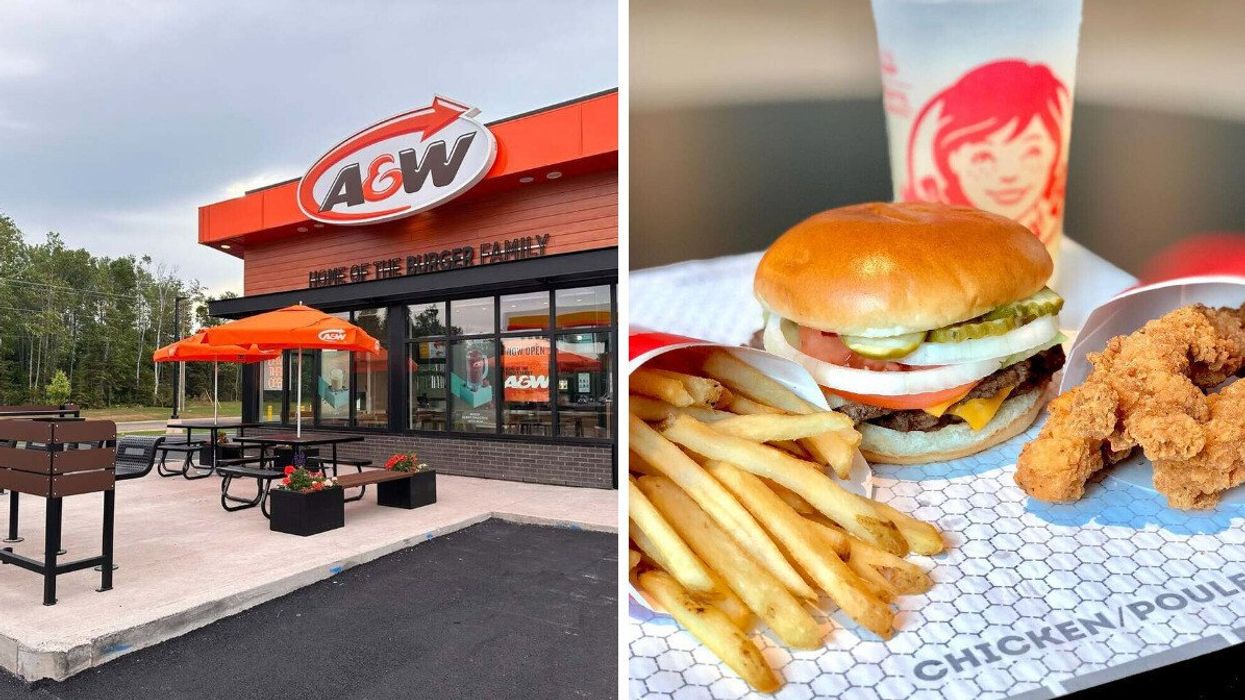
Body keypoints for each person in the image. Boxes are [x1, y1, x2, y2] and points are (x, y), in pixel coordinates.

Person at [904, 60, 1070, 245]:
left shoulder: (1045, 222)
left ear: (1053, 153)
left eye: (1031, 152)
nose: (1009, 174)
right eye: (984, 156)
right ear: (952, 159)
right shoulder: (932, 229)